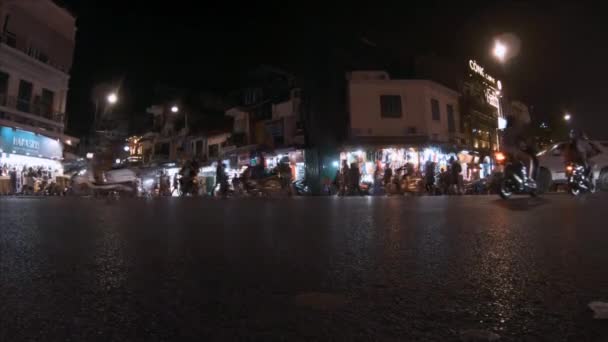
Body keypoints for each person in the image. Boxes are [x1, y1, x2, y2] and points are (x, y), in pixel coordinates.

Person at [502, 115, 537, 186]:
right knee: (529, 159)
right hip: (513, 151)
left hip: (503, 150)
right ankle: (529, 179)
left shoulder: (504, 131)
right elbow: (524, 139)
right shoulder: (516, 130)